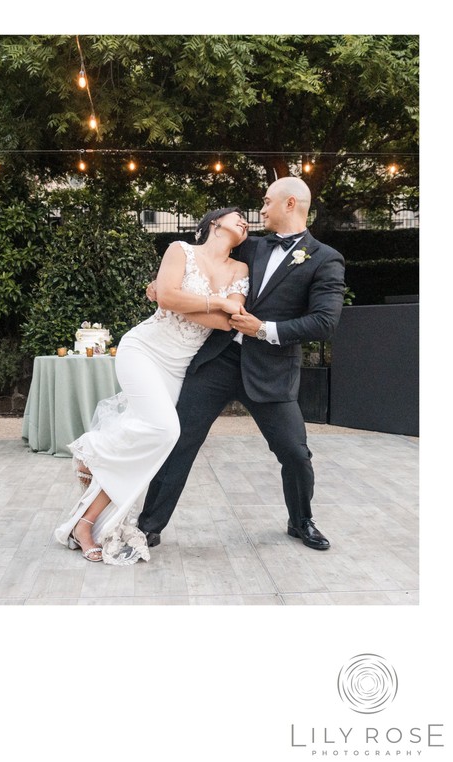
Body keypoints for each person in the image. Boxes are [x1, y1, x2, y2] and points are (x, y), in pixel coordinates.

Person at [136, 176, 346, 551]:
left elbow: (325, 322)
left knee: (295, 453)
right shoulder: (251, 246)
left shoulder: (326, 259)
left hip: (272, 370)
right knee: (180, 441)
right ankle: (148, 525)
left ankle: (301, 521)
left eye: (266, 202)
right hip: (218, 359)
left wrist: (263, 329)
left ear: (290, 204)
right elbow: (205, 264)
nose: (260, 210)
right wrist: (161, 287)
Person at [54, 208, 250, 564]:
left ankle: (85, 521)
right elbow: (168, 299)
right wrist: (204, 300)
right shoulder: (179, 251)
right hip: (144, 350)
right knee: (165, 431)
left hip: (178, 367)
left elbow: (226, 321)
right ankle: (93, 450)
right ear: (214, 224)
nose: (245, 222)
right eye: (238, 216)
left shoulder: (240, 270)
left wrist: (177, 298)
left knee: (151, 446)